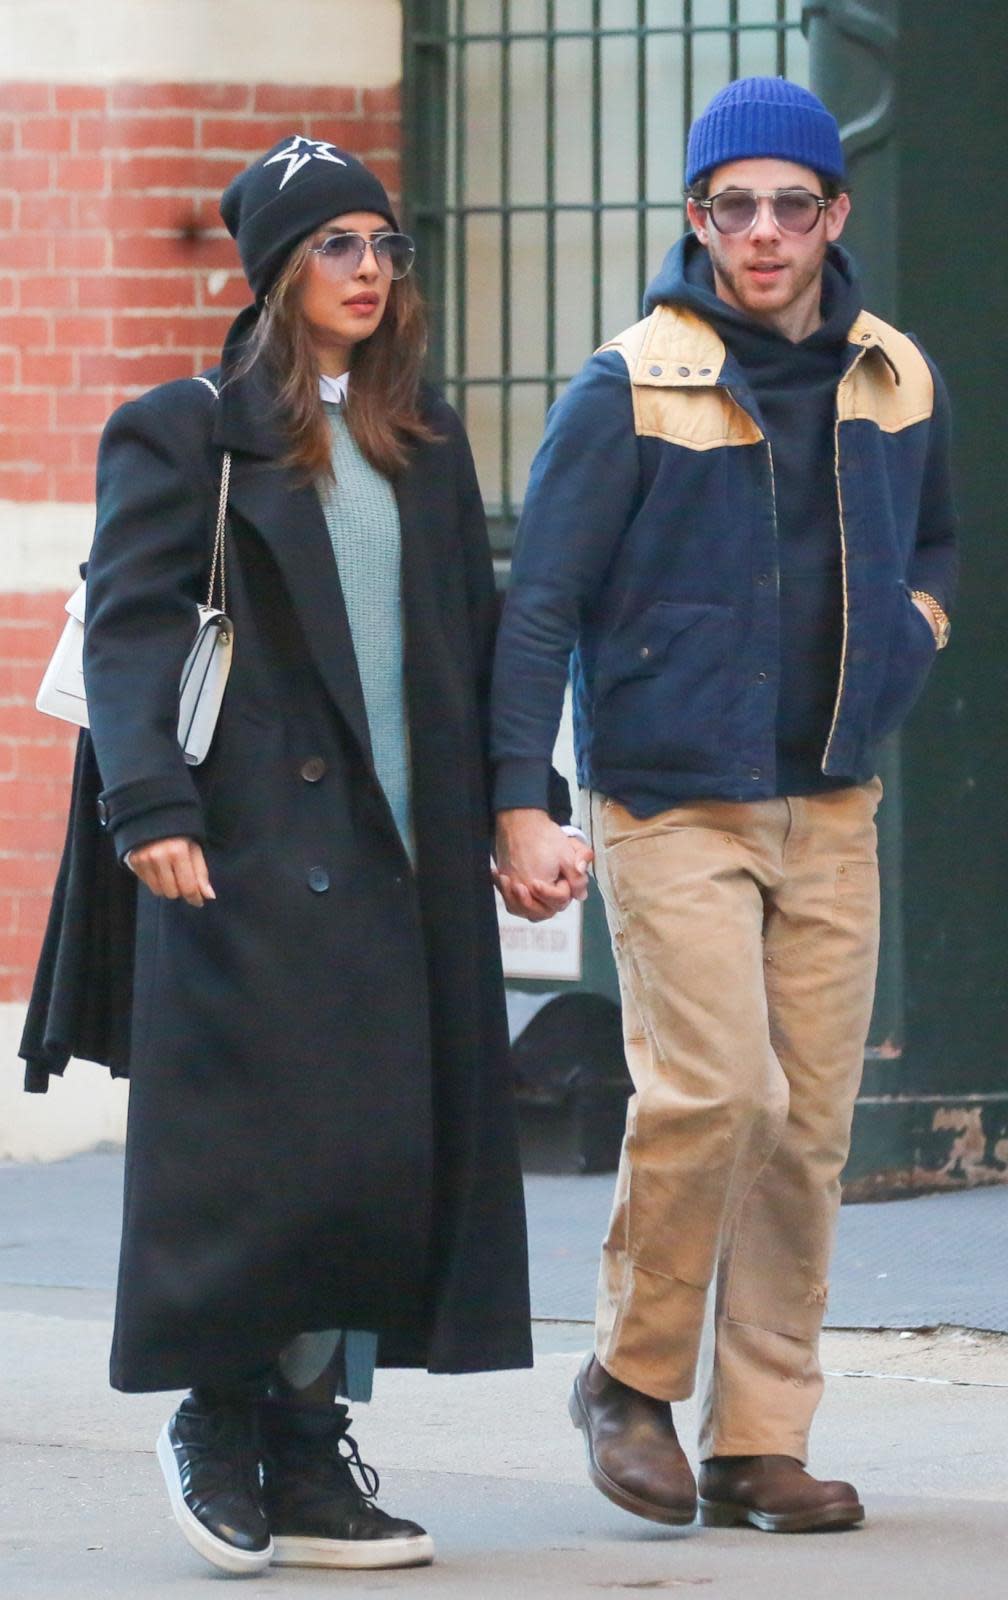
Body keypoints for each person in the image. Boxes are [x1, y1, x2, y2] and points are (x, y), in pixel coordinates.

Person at [21, 134, 571, 1577]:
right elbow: (133, 626)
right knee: (264, 1160)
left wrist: (523, 798)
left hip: (408, 859)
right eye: (337, 246)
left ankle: (313, 1448)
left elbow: (478, 638)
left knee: (377, 1158)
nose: (370, 271)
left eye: (385, 247)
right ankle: (219, 1419)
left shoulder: (424, 437)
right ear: (276, 270)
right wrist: (151, 807)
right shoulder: (182, 430)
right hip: (252, 851)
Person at [490, 77, 957, 1533]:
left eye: (791, 203)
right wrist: (521, 801)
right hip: (670, 804)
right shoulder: (628, 379)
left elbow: (935, 541)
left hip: (830, 804)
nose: (762, 232)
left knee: (809, 1125)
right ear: (696, 218)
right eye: (731, 205)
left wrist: (909, 642)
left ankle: (758, 1439)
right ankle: (630, 1381)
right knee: (716, 1092)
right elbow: (539, 606)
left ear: (836, 213)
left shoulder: (896, 374)